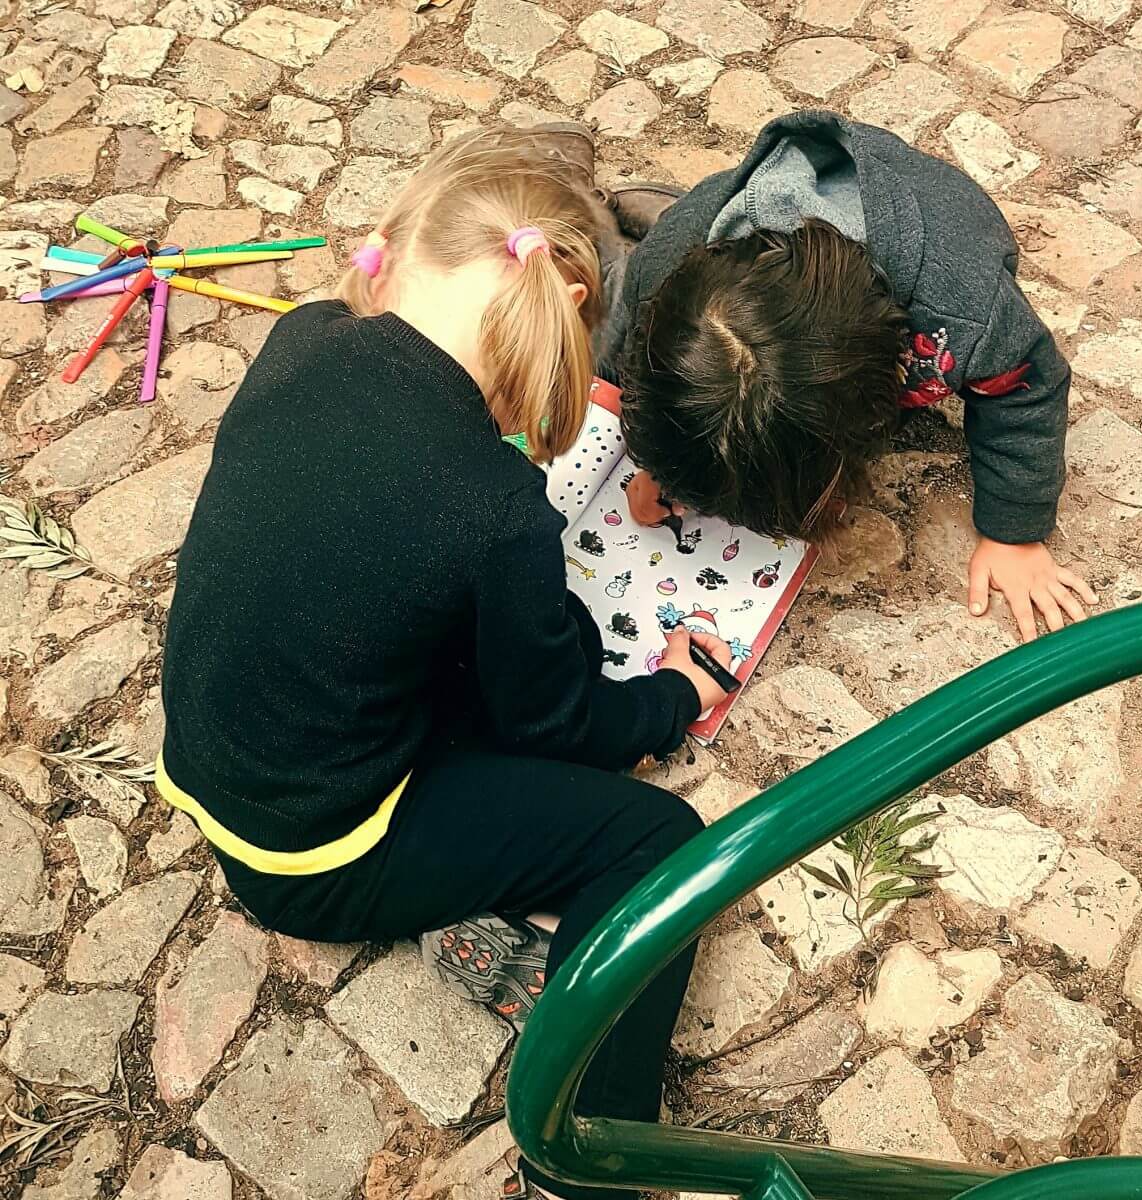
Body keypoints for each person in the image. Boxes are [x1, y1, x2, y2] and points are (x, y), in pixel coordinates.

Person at [157, 127, 731, 1200]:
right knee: (656, 841)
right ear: (553, 345)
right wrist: (670, 696)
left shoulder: (303, 335)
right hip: (315, 857)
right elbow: (556, 722)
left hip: (218, 775)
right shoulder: (496, 505)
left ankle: (479, 921)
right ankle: (590, 1152)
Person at [598, 110, 1099, 643]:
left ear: (881, 398)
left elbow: (1029, 390)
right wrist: (664, 460)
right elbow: (634, 369)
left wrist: (1014, 534)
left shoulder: (970, 313)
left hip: (938, 225)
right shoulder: (662, 267)